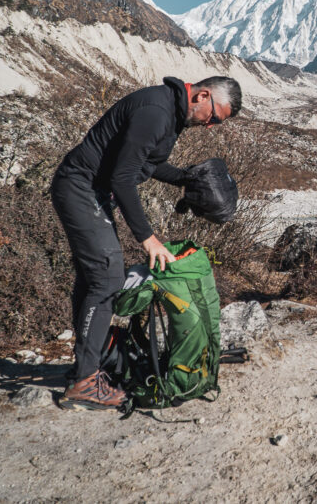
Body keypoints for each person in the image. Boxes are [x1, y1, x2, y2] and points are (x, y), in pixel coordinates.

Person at [51, 75, 241, 410]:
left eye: (217, 123)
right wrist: (148, 239)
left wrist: (186, 179)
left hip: (91, 191)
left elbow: (148, 164)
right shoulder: (156, 111)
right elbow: (123, 178)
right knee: (107, 279)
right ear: (203, 96)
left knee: (94, 280)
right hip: (80, 188)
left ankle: (88, 366)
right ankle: (84, 382)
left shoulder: (172, 112)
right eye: (213, 117)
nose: (210, 126)